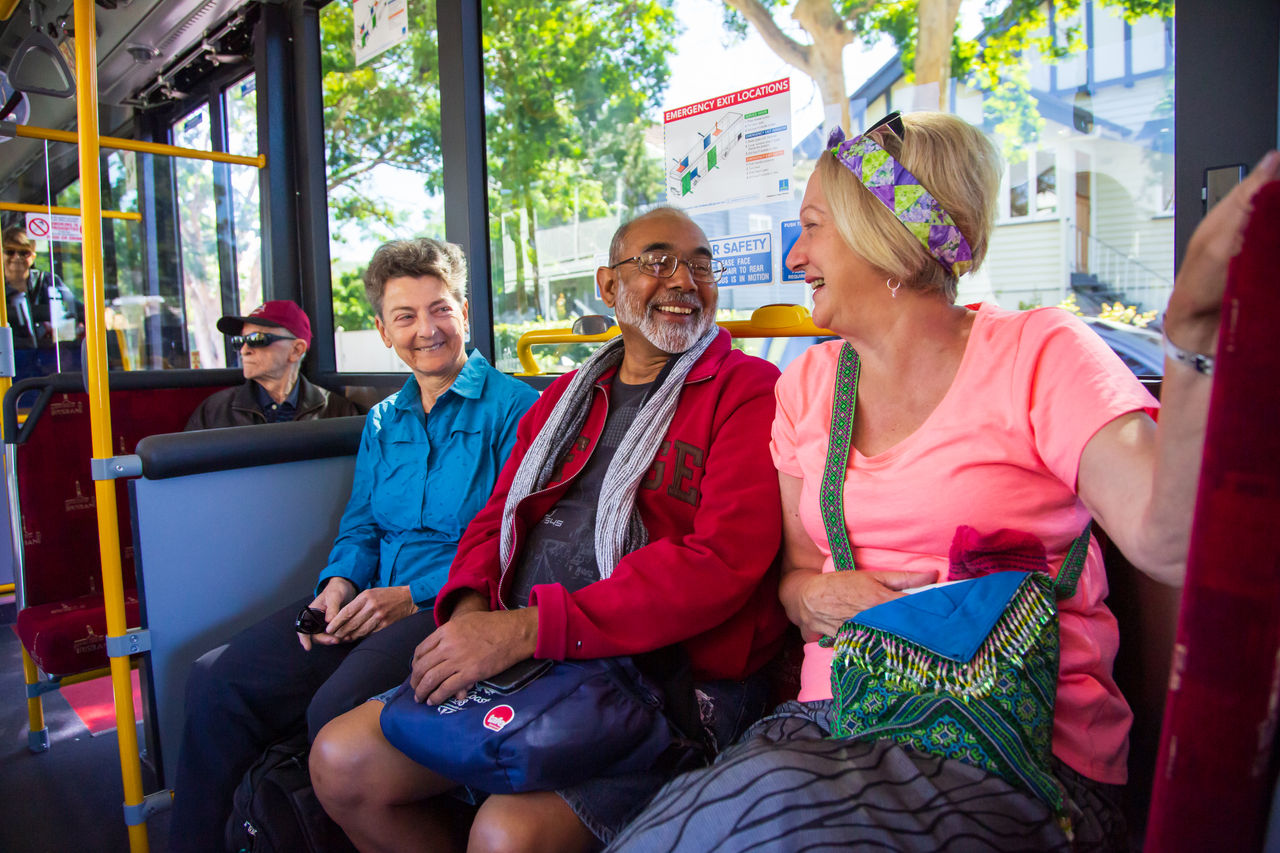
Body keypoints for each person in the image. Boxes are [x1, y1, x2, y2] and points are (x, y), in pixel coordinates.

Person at [605, 116, 1280, 852]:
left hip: (1017, 755)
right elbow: (797, 579)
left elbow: (1169, 536)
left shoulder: (1040, 352)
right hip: (834, 727)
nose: (796, 255)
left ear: (882, 233)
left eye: (812, 227)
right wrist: (816, 596)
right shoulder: (808, 385)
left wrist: (1196, 344)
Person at [309, 207, 792, 853]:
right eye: (657, 261)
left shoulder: (748, 389)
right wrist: (474, 613)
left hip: (664, 677)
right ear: (608, 286)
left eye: (701, 265)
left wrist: (529, 628)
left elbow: (720, 560)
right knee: (339, 758)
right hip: (530, 651)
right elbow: (494, 518)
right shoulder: (567, 396)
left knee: (506, 834)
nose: (683, 279)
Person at [168, 238, 540, 852]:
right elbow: (362, 525)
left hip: (448, 607)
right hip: (366, 599)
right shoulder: (383, 420)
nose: (427, 329)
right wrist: (336, 584)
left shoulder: (517, 411)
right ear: (383, 330)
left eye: (440, 309)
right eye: (406, 316)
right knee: (217, 681)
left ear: (465, 313)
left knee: (332, 712)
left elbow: (512, 544)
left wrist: (411, 596)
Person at [185, 299, 360, 428]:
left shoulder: (338, 411)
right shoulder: (214, 411)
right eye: (239, 341)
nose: (244, 350)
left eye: (257, 339)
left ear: (296, 350)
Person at [3, 224, 83, 377]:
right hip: (11, 360)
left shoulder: (49, 281)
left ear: (33, 256)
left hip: (50, 357)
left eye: (23, 252)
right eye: (10, 252)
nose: (16, 257)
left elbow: (77, 309)